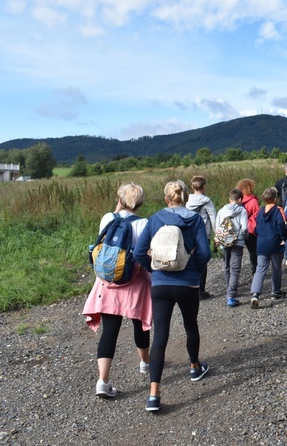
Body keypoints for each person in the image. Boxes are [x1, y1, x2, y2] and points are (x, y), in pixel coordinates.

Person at [134, 180, 212, 413]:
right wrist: (193, 270)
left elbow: (138, 252)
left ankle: (153, 395)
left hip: (160, 285)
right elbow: (205, 253)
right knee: (190, 325)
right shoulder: (194, 219)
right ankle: (195, 367)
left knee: (160, 336)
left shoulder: (154, 219)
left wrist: (154, 269)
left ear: (167, 199)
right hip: (187, 283)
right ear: (186, 198)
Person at [82, 182, 152, 398]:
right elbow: (144, 253)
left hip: (107, 284)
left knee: (109, 332)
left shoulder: (107, 218)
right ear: (139, 203)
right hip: (135, 282)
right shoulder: (144, 224)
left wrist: (117, 208)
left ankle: (103, 382)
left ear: (119, 199)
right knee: (140, 326)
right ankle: (144, 364)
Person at [249, 187, 287, 309]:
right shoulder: (277, 211)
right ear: (275, 199)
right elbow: (281, 224)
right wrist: (283, 237)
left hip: (261, 244)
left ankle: (255, 294)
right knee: (276, 268)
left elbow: (256, 227)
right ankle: (275, 291)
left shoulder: (260, 212)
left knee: (260, 269)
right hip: (275, 243)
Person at [215, 188, 249, 307]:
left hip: (224, 242)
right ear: (240, 199)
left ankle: (229, 290)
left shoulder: (221, 210)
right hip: (237, 242)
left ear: (229, 199)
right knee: (235, 268)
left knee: (227, 267)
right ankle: (231, 296)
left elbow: (217, 227)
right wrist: (245, 237)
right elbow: (244, 228)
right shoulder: (242, 211)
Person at [186, 175, 216, 300]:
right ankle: (201, 291)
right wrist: (217, 235)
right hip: (203, 235)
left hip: (188, 235)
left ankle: (189, 288)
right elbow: (213, 218)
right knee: (202, 261)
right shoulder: (207, 201)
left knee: (189, 260)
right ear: (204, 187)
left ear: (192, 187)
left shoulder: (186, 201)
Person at [237, 178, 260, 278]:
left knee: (237, 253)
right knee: (253, 251)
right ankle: (254, 270)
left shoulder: (237, 200)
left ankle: (234, 273)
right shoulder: (253, 201)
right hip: (250, 229)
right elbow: (258, 215)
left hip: (238, 229)